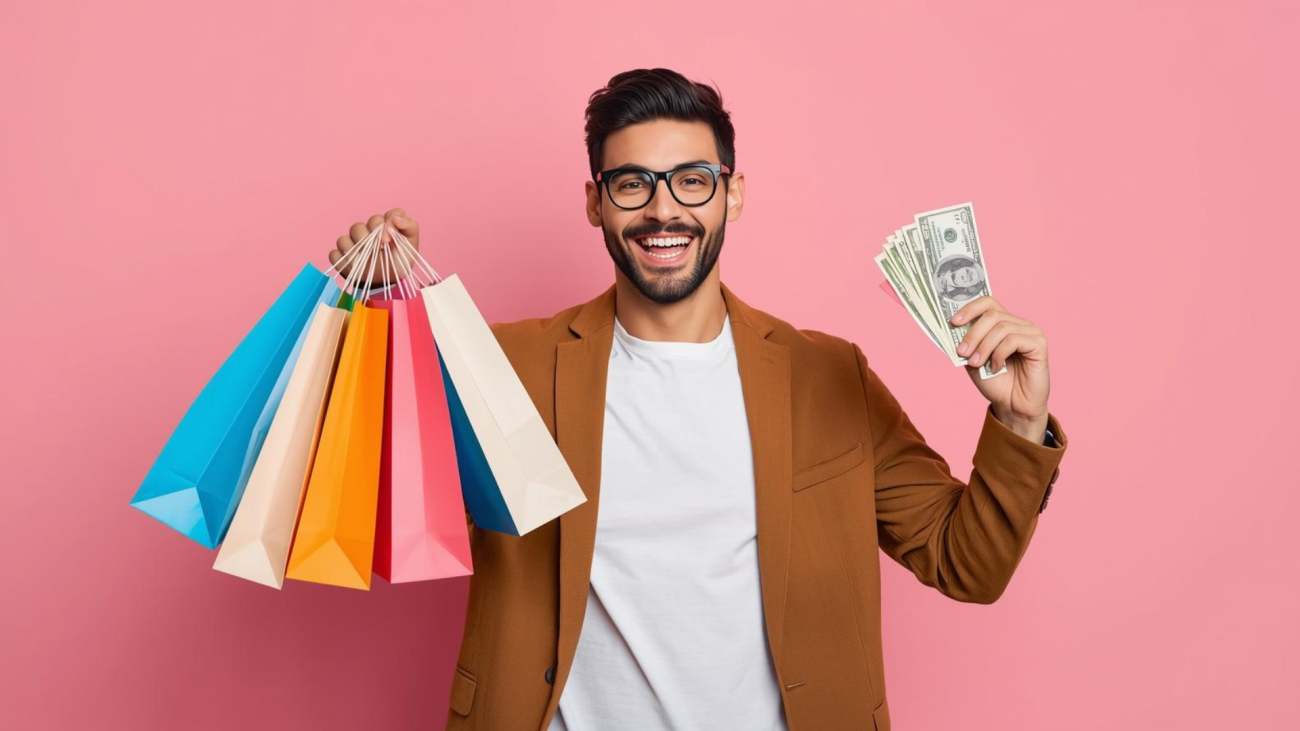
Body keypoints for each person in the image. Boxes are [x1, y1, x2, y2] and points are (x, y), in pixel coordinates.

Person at [328, 68, 1067, 731]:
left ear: (732, 193)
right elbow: (375, 504)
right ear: (595, 202)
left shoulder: (828, 374)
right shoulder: (507, 365)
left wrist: (1018, 419)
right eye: (632, 184)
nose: (662, 210)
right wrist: (378, 326)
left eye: (692, 180)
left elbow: (966, 564)